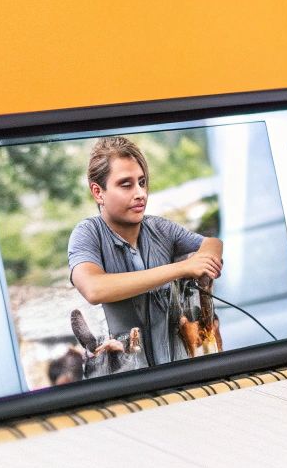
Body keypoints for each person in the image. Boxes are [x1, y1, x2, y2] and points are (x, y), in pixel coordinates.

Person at [68, 136, 223, 368]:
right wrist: (181, 268)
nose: (140, 193)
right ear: (98, 192)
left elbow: (212, 243)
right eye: (126, 184)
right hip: (128, 381)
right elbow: (93, 288)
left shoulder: (161, 228)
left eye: (142, 182)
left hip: (180, 369)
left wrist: (205, 261)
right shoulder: (87, 234)